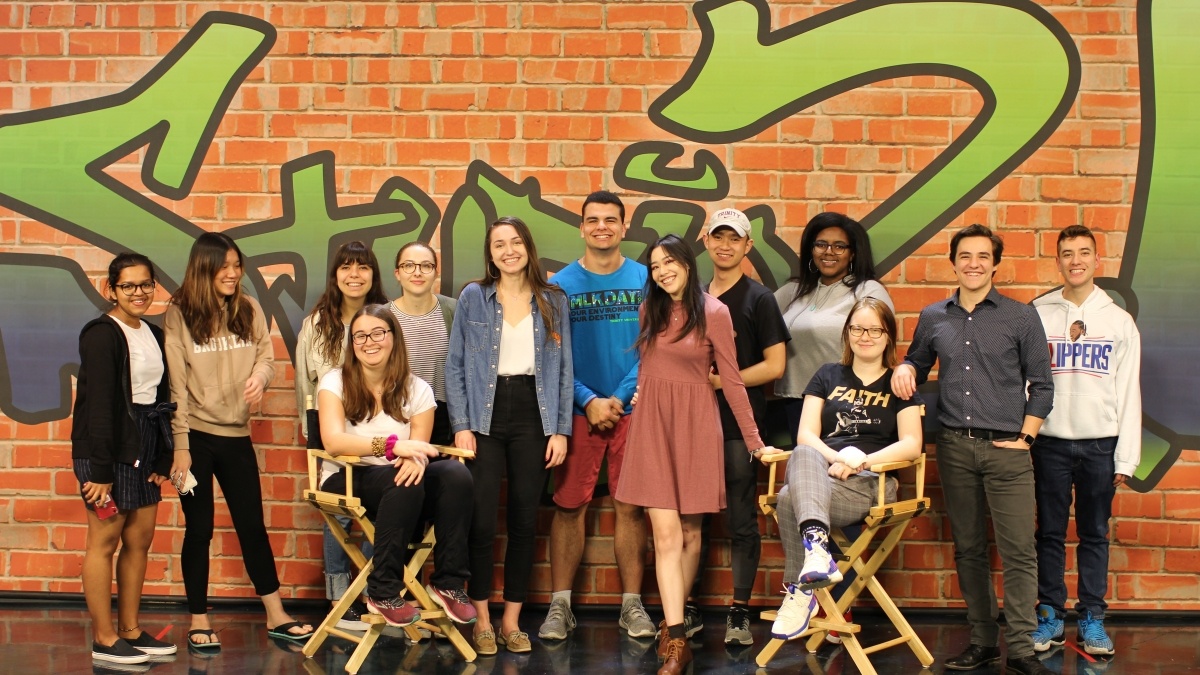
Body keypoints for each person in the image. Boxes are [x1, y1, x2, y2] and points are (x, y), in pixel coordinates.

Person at [892, 224, 1054, 675]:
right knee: (968, 549)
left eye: (983, 256)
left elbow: (1042, 385)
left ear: (995, 264)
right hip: (954, 449)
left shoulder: (1020, 317)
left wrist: (1025, 439)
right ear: (953, 262)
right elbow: (917, 360)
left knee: (1019, 551)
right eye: (965, 255)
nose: (974, 264)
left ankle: (1020, 649)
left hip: (1008, 451)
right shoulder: (933, 316)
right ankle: (983, 641)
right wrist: (905, 367)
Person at [614, 234, 775, 675]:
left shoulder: (715, 313)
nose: (662, 271)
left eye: (669, 262)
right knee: (665, 535)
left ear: (687, 263)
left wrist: (754, 441)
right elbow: (647, 367)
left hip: (696, 427)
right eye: (655, 266)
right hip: (653, 428)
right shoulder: (649, 310)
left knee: (689, 532)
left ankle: (673, 623)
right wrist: (638, 394)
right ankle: (677, 639)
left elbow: (733, 381)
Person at [164, 231, 313, 649]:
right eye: (223, 266)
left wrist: (261, 378)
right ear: (204, 268)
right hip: (194, 437)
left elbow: (266, 356)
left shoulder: (248, 307)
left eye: (236, 265)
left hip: (236, 435)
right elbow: (175, 384)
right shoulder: (179, 313)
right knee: (199, 529)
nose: (232, 273)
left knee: (252, 525)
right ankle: (198, 618)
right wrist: (180, 447)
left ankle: (276, 614)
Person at [446, 216, 573, 655]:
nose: (508, 251)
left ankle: (512, 622)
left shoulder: (553, 299)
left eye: (515, 242)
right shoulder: (473, 297)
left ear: (528, 247)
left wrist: (560, 430)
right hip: (484, 415)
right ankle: (482, 619)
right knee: (481, 521)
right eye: (499, 244)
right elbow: (455, 365)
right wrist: (461, 425)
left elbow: (564, 369)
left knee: (523, 521)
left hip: (535, 415)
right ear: (490, 253)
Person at [769, 298, 923, 639]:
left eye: (874, 330)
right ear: (847, 333)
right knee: (803, 451)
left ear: (888, 335)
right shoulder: (827, 375)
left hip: (873, 483)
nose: (865, 336)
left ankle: (801, 591)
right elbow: (806, 434)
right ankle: (816, 552)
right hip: (823, 475)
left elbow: (912, 443)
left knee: (788, 498)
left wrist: (861, 462)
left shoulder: (897, 383)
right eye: (857, 328)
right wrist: (838, 459)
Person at [538, 191, 653, 643]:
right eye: (593, 220)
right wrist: (588, 400)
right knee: (569, 507)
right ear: (581, 227)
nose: (601, 227)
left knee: (631, 508)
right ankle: (559, 606)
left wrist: (618, 398)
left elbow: (654, 346)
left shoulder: (646, 278)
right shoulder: (560, 285)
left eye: (610, 219)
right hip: (577, 412)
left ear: (624, 227)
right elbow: (552, 356)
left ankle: (632, 606)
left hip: (634, 409)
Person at [317, 304, 475, 627]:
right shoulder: (335, 382)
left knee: (456, 474)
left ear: (394, 337)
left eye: (378, 333)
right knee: (402, 480)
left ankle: (448, 582)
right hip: (347, 476)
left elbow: (417, 449)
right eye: (360, 336)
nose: (369, 342)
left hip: (398, 483)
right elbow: (333, 442)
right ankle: (383, 590)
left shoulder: (418, 389)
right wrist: (391, 447)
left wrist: (412, 456)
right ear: (352, 343)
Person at [1030, 225, 1141, 656]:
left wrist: (1125, 458)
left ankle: (1092, 618)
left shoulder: (1119, 321)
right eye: (1067, 253)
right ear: (1057, 261)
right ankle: (1051, 617)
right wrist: (1025, 436)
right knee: (1049, 534)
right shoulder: (1038, 314)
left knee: (1094, 534)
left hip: (1100, 445)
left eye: (1083, 252)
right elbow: (1024, 382)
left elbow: (1129, 391)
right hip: (1050, 442)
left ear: (1097, 260)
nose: (1075, 260)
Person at [72, 253, 178, 665]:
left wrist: (163, 455)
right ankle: (104, 637)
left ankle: (130, 630)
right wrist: (100, 472)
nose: (139, 293)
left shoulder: (152, 332)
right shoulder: (101, 334)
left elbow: (160, 399)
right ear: (111, 289)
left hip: (144, 445)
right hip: (106, 450)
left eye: (146, 284)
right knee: (104, 541)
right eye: (128, 286)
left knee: (139, 539)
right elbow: (99, 406)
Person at [699, 208, 789, 646]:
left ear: (748, 246)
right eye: (718, 237)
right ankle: (688, 608)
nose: (725, 245)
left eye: (734, 239)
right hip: (695, 422)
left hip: (741, 423)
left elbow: (775, 365)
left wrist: (724, 381)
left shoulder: (759, 298)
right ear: (705, 241)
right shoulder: (693, 296)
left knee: (740, 517)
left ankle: (739, 611)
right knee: (692, 518)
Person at [294, 241, 387, 630]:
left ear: (373, 275)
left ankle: (368, 594)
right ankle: (338, 599)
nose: (354, 275)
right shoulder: (316, 324)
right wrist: (313, 436)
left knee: (379, 511)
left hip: (377, 430)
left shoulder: (386, 318)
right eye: (346, 267)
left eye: (362, 267)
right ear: (335, 276)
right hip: (330, 431)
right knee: (338, 513)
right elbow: (305, 386)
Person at [774, 212, 892, 440]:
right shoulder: (793, 291)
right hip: (796, 400)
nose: (829, 252)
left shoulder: (868, 291)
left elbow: (881, 345)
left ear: (853, 253)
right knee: (807, 461)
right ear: (811, 250)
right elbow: (755, 324)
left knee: (845, 462)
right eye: (821, 244)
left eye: (839, 246)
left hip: (847, 401)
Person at [387, 241, 457, 446]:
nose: (417, 272)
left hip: (444, 419)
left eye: (426, 266)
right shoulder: (383, 316)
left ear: (436, 272)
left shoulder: (453, 311)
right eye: (408, 265)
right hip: (396, 415)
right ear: (397, 273)